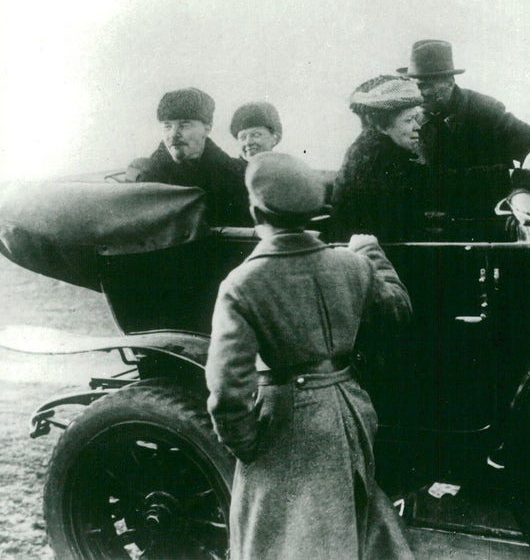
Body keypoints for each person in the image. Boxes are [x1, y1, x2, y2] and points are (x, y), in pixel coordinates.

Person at [205, 152, 414, 560]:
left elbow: (229, 389)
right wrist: (371, 253)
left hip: (286, 420)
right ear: (315, 211)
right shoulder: (351, 265)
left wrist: (247, 445)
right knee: (352, 527)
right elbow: (398, 310)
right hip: (350, 408)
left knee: (283, 540)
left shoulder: (243, 283)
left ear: (254, 210)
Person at [398, 39, 530, 221]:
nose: (417, 93)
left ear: (449, 82)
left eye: (424, 85)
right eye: (412, 85)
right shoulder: (406, 118)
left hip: (491, 220)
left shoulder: (486, 111)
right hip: (432, 224)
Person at [125, 87, 251, 226]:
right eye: (167, 126)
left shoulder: (237, 173)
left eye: (184, 125)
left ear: (207, 128)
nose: (173, 135)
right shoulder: (148, 177)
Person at [332, 77, 429, 242]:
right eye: (408, 120)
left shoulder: (365, 151)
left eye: (416, 118)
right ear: (382, 126)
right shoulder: (382, 163)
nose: (417, 127)